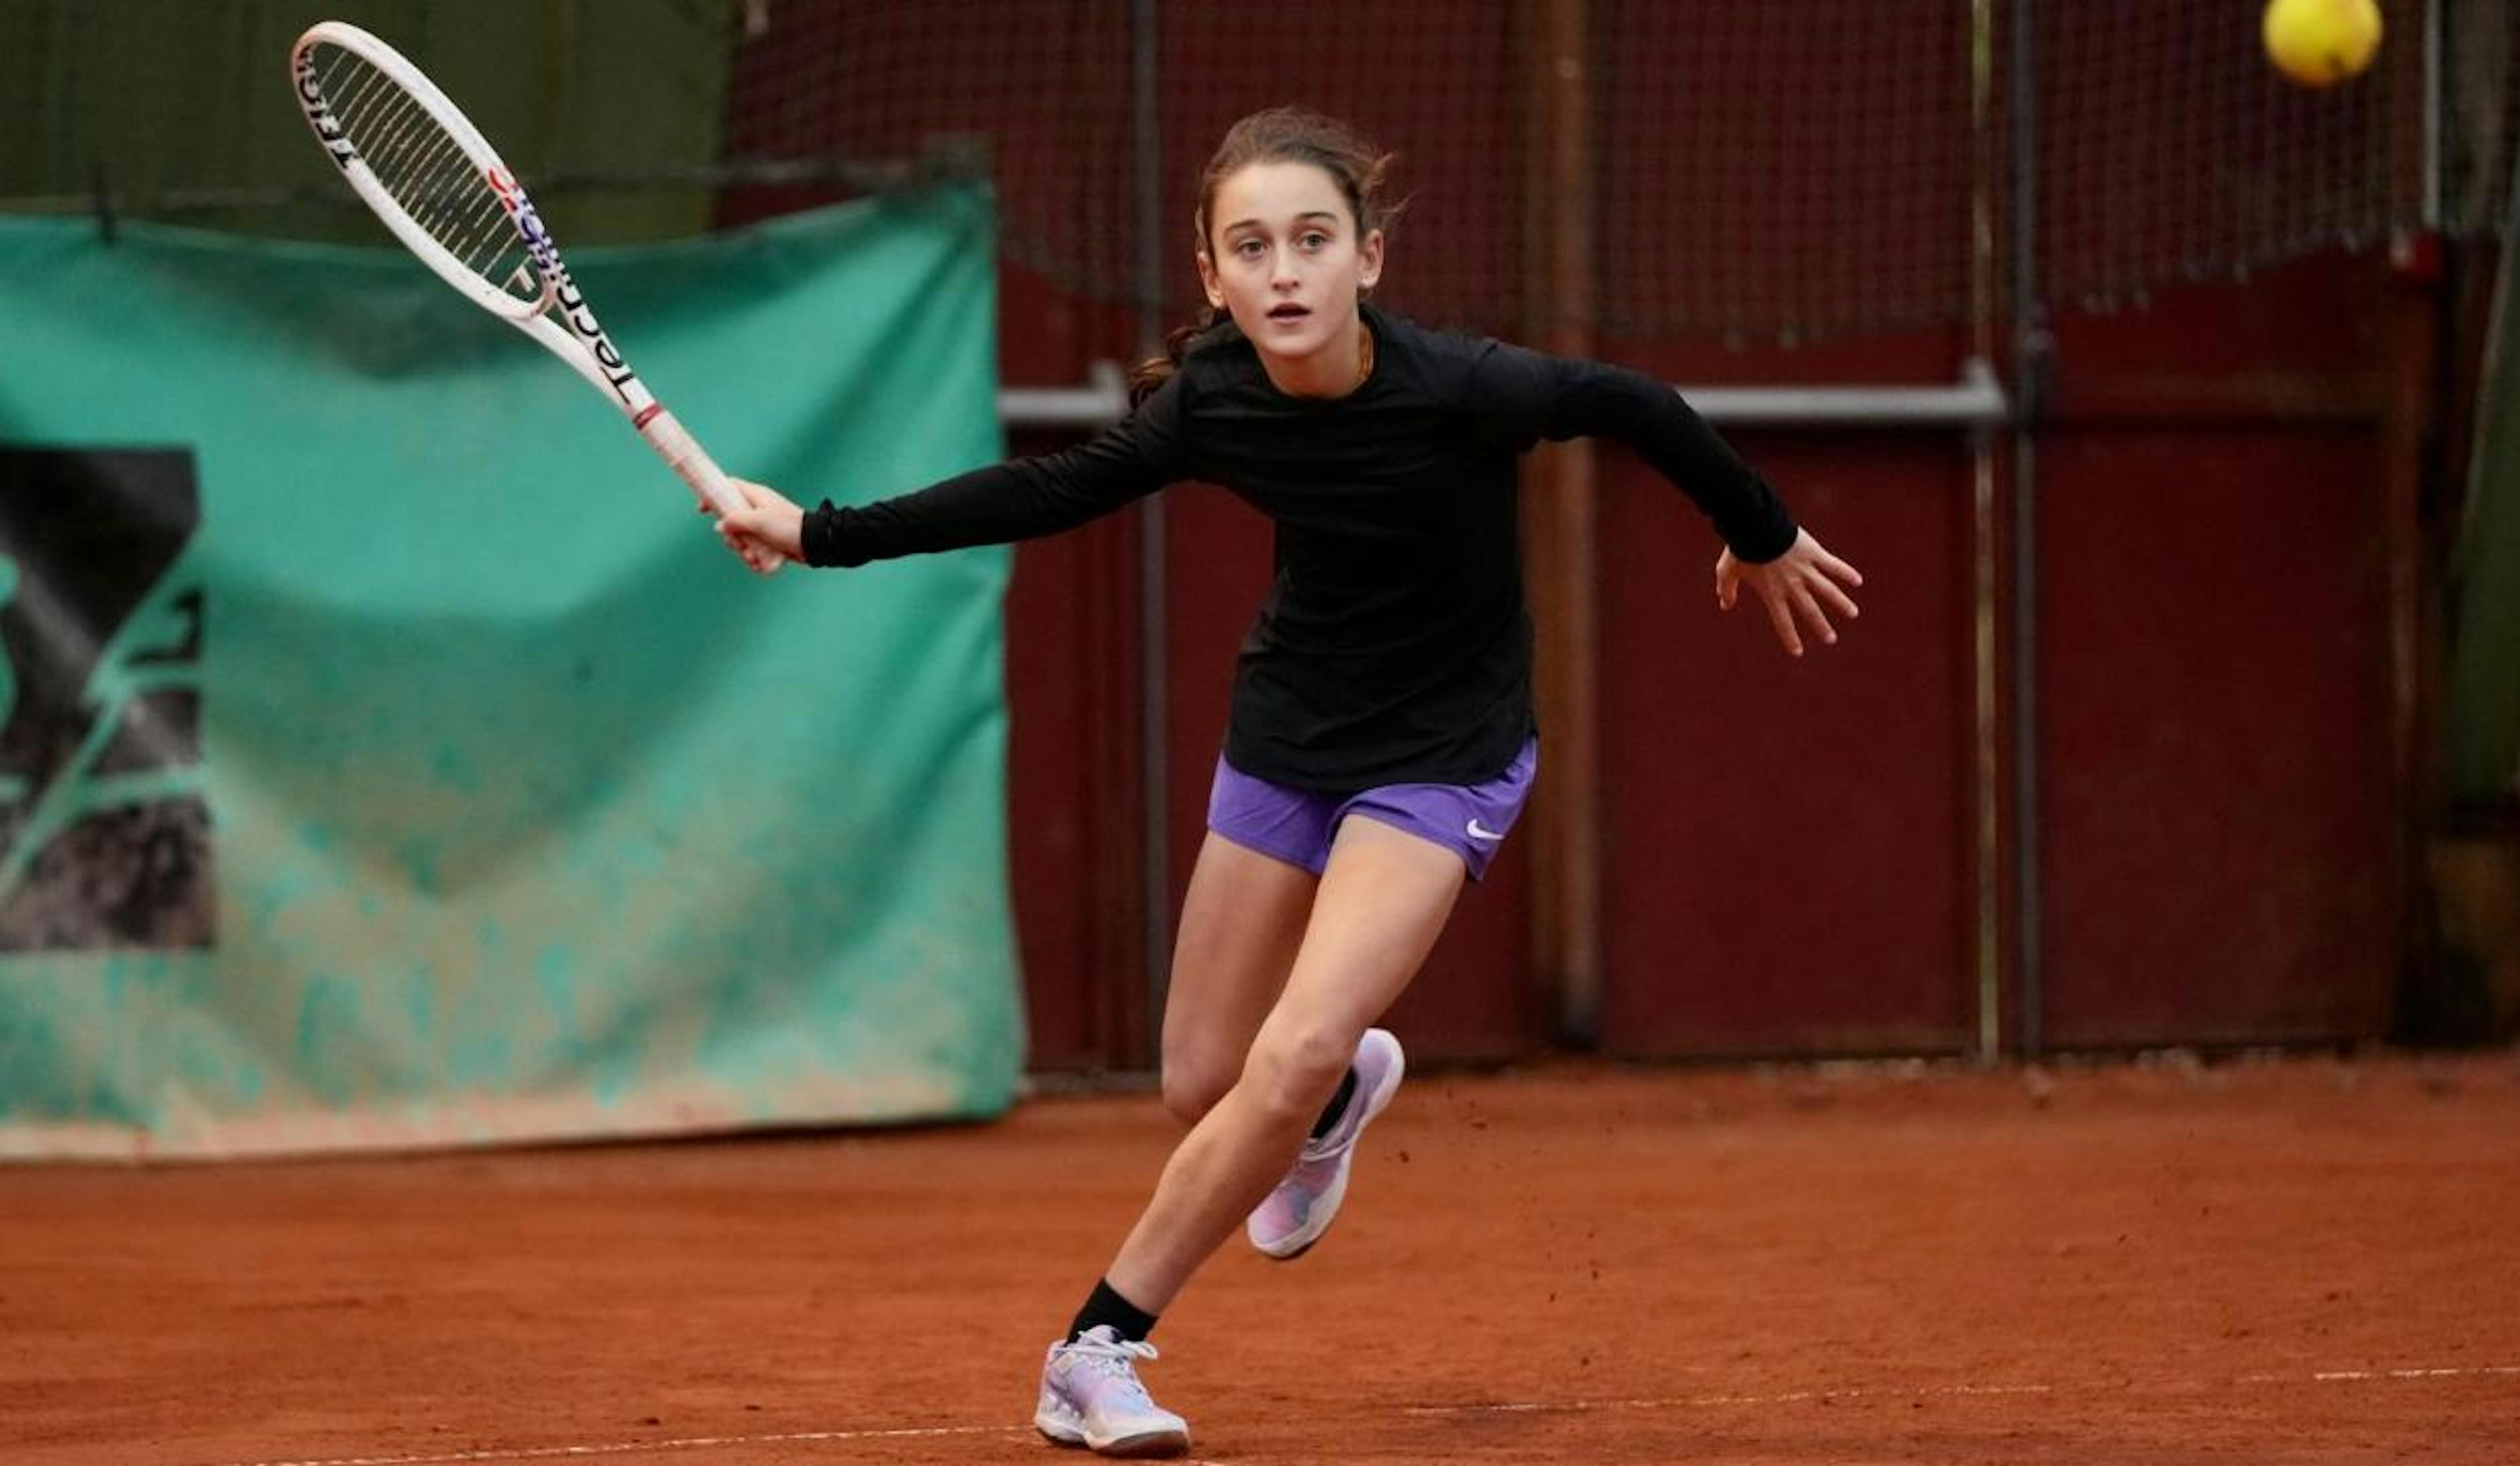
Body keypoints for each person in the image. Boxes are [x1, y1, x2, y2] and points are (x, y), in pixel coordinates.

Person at [712, 106, 1863, 1459]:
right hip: (1289, 734)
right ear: (1213, 277)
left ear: (1368, 257)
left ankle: (1096, 1348)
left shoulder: (1462, 387)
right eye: (1250, 247)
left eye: (1313, 240)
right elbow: (1042, 490)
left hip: (1443, 754)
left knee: (1297, 1036)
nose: (1284, 272)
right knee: (1208, 1077)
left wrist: (1761, 532)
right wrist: (813, 531)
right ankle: (1328, 1108)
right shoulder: (1212, 405)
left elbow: (1632, 402)